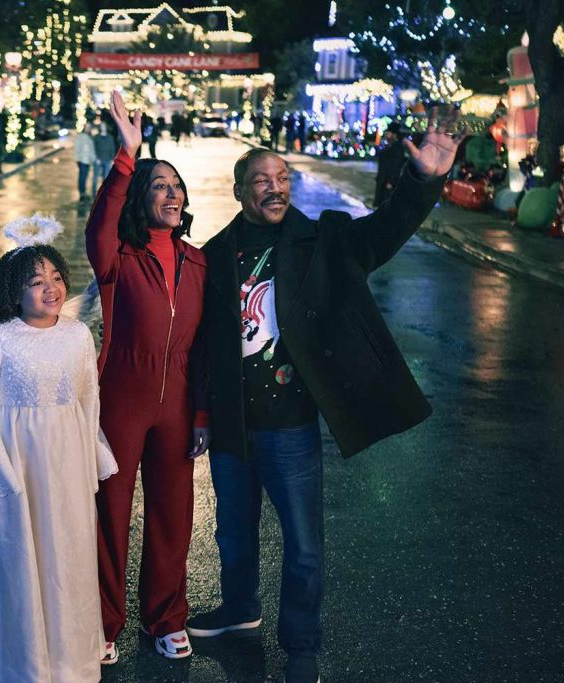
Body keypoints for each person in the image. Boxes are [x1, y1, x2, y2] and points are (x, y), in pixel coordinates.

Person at [188, 109, 464, 683]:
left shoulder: (325, 240)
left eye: (282, 178)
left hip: (290, 423)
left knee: (303, 543)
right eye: (261, 180)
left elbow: (385, 230)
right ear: (239, 191)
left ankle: (302, 645)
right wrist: (201, 413)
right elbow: (201, 344)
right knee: (232, 532)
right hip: (234, 423)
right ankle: (239, 610)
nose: (275, 188)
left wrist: (424, 180)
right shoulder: (213, 256)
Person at [0, 224, 118, 682]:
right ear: (14, 293)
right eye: (36, 281)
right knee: (13, 560)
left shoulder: (78, 335)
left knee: (63, 559)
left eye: (56, 277)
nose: (50, 288)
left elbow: (88, 399)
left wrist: (88, 462)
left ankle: (65, 659)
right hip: (10, 468)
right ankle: (9, 658)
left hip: (65, 467)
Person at [87, 90, 210, 664]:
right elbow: (101, 226)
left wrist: (202, 411)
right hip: (122, 395)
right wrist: (127, 156)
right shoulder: (118, 256)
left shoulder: (198, 260)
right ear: (141, 196)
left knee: (172, 515)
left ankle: (166, 617)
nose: (172, 194)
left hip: (179, 400)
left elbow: (206, 346)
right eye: (159, 186)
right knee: (109, 514)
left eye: (176, 186)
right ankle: (103, 622)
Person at [374, 122, 408, 206]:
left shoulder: (397, 148)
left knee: (386, 204)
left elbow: (396, 166)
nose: (386, 134)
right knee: (381, 205)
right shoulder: (389, 146)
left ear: (394, 135)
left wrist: (391, 182)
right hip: (382, 180)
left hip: (388, 183)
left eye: (389, 132)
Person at [91, 120, 116, 193]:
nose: (103, 127)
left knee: (105, 178)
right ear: (100, 127)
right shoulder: (97, 137)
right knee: (95, 177)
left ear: (106, 127)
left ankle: (103, 193)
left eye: (104, 126)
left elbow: (112, 148)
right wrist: (96, 158)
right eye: (101, 126)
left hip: (107, 160)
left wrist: (112, 159)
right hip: (98, 160)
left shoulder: (110, 137)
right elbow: (94, 148)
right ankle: (93, 193)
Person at [75, 124, 96, 200]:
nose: (88, 129)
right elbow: (77, 148)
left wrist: (93, 159)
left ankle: (83, 192)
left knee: (85, 176)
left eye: (89, 128)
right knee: (82, 177)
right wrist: (77, 159)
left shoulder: (90, 137)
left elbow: (92, 149)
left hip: (88, 161)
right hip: (82, 160)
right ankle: (82, 193)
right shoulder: (80, 136)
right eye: (87, 128)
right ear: (84, 128)